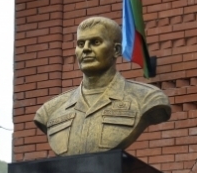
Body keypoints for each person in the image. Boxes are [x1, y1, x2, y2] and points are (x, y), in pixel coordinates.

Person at [34, 17, 171, 156]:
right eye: (81, 44)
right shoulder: (50, 111)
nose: (86, 49)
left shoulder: (147, 99)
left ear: (116, 50)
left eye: (95, 42)